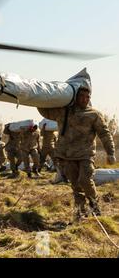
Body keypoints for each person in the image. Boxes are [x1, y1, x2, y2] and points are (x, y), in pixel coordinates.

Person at [38, 86, 116, 220]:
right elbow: (46, 112)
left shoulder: (93, 114)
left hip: (86, 154)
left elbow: (104, 133)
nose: (85, 99)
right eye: (81, 96)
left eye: (87, 97)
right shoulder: (64, 112)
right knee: (75, 185)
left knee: (85, 180)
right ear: (75, 98)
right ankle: (80, 211)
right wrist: (38, 98)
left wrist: (110, 152)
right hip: (67, 155)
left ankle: (94, 204)